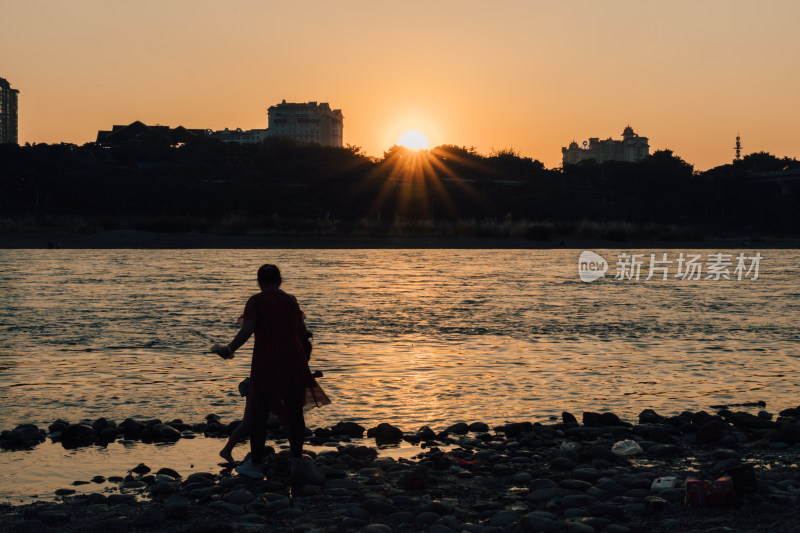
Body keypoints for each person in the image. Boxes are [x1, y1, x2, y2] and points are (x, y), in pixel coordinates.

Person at [212, 264, 330, 481]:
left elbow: (247, 329)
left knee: (259, 414)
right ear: (280, 280)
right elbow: (303, 333)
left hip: (267, 362)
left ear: (259, 281)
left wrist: (228, 349)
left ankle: (255, 465)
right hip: (293, 361)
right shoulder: (291, 300)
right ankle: (297, 460)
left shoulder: (256, 301)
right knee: (295, 412)